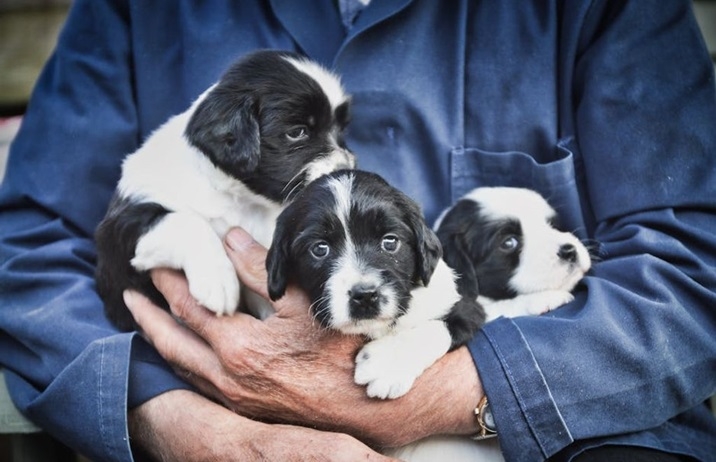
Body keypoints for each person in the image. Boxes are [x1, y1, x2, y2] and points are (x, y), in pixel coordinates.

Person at [1, 0, 715, 461]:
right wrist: (185, 427)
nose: (337, 161)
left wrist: (453, 396)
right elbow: (30, 246)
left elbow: (692, 265)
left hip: (571, 440)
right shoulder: (135, 15)